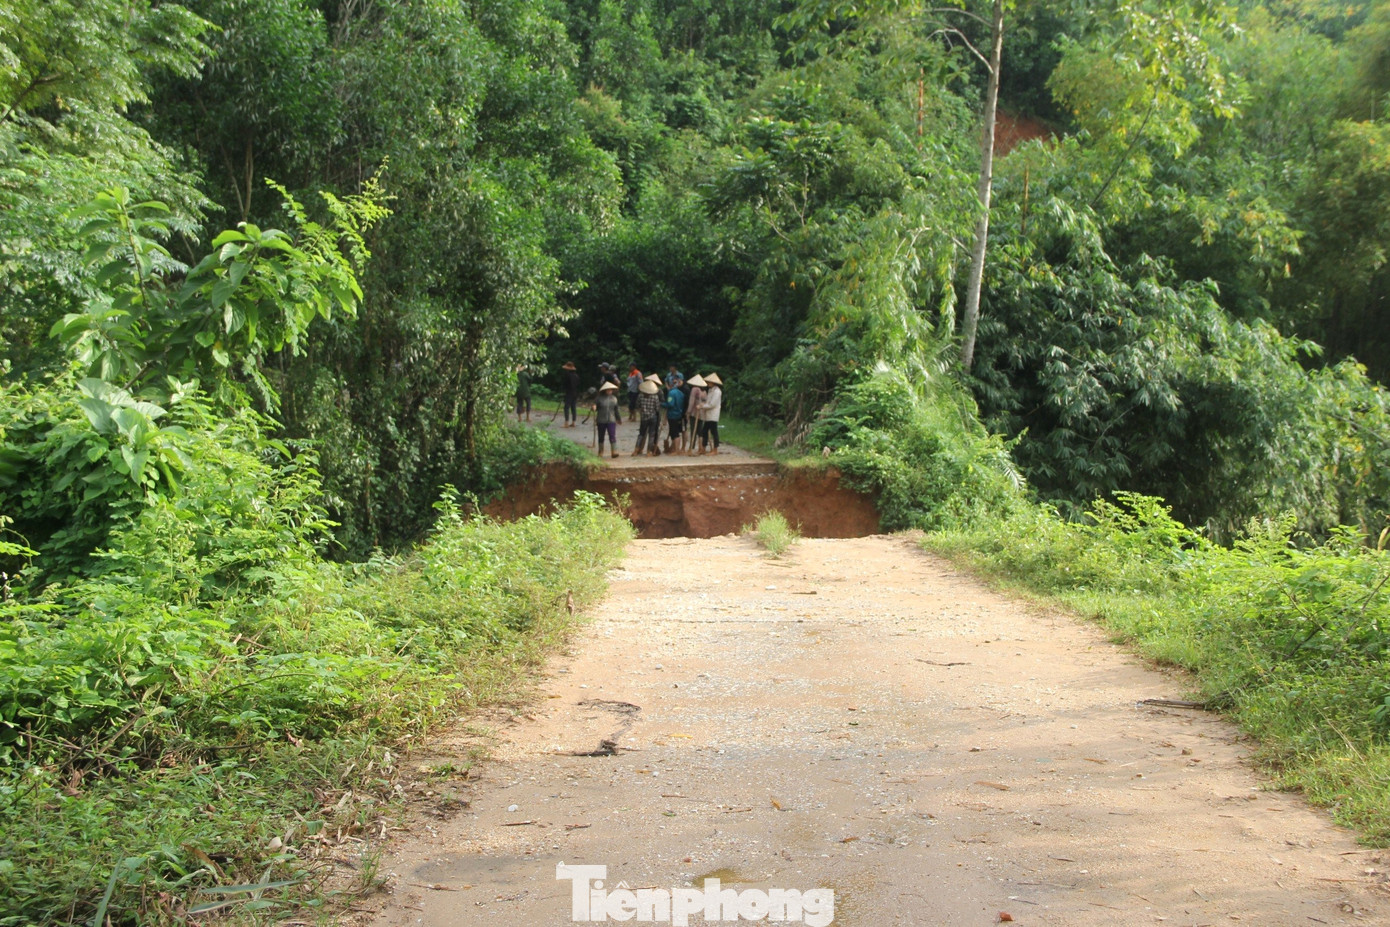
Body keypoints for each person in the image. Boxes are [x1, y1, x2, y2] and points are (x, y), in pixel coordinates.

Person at [633, 379, 663, 456]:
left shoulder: (640, 396)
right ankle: (648, 451)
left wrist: (642, 411)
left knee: (641, 434)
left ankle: (636, 450)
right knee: (651, 435)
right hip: (653, 417)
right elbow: (657, 408)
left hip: (643, 417)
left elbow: (637, 406)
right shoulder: (655, 397)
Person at [697, 372, 722, 454]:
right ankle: (703, 448)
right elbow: (708, 402)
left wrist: (702, 406)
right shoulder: (710, 390)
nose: (708, 383)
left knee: (714, 432)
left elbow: (712, 404)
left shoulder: (717, 391)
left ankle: (715, 449)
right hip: (708, 415)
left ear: (713, 382)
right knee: (704, 431)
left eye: (709, 382)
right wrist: (703, 405)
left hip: (713, 415)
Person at [594, 381, 620, 458]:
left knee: (612, 435)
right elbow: (595, 408)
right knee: (601, 436)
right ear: (605, 390)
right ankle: (600, 451)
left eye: (610, 390)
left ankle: (614, 451)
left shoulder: (614, 399)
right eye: (608, 390)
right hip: (601, 420)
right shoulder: (599, 399)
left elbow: (616, 410)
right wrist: (594, 408)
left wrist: (618, 418)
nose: (609, 391)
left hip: (611, 420)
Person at [684, 374, 706, 455]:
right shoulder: (704, 391)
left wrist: (688, 412)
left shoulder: (694, 389)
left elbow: (691, 402)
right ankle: (701, 447)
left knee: (693, 430)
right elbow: (705, 402)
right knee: (700, 431)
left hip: (694, 412)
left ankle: (691, 447)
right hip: (701, 413)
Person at [663, 375, 686, 453]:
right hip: (679, 414)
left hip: (673, 415)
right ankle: (675, 449)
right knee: (677, 432)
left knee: (674, 433)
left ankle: (676, 450)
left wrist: (662, 404)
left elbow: (670, 404)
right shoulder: (681, 393)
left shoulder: (671, 393)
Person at [561, 361, 580, 427]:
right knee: (573, 407)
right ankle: (573, 422)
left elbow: (565, 384)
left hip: (569, 393)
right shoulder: (576, 376)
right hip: (575, 393)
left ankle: (566, 422)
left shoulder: (567, 375)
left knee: (566, 407)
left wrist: (564, 390)